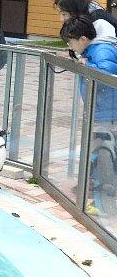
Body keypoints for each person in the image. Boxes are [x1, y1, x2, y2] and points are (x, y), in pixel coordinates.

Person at [60, 15, 117, 215]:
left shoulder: (102, 50)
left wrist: (86, 66)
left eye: (71, 41)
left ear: (83, 39)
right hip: (101, 111)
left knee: (103, 154)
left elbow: (106, 74)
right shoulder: (92, 50)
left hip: (107, 114)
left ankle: (105, 203)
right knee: (101, 154)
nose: (69, 45)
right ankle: (101, 199)